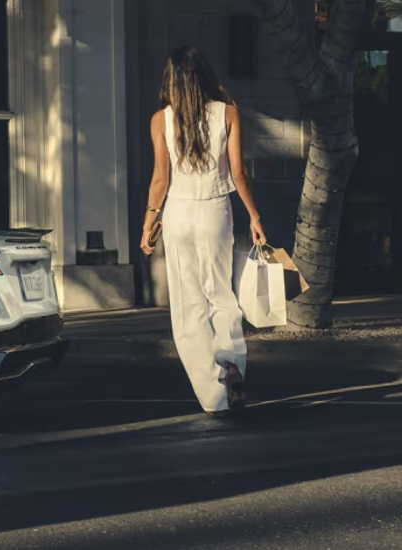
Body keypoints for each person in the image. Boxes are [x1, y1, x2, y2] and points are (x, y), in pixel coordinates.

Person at [140, 46, 268, 419]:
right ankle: (231, 363)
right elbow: (239, 174)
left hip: (178, 215)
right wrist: (255, 217)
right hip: (216, 211)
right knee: (221, 295)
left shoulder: (160, 120)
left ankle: (215, 396)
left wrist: (149, 224)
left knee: (188, 305)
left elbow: (160, 180)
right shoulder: (227, 113)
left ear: (172, 80)